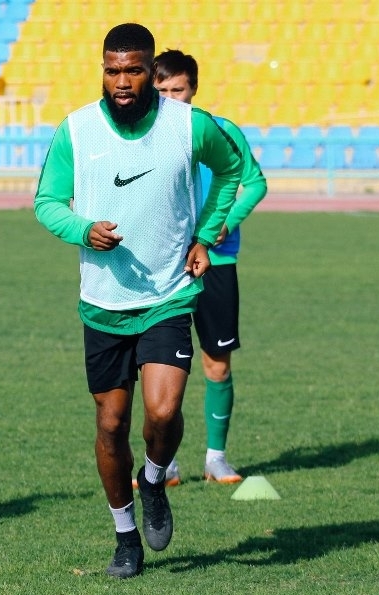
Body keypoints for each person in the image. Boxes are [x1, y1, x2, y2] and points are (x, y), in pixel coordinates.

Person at [34, 24, 243, 579]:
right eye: (112, 71)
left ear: (151, 71)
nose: (122, 82)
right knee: (110, 425)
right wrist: (82, 230)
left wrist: (205, 234)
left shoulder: (189, 125)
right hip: (103, 302)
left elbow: (232, 171)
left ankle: (153, 479)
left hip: (168, 295)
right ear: (102, 71)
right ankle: (125, 536)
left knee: (163, 411)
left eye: (133, 70)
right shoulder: (76, 130)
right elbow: (47, 201)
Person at [150, 49, 267, 485]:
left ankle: (216, 458)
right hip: (165, 265)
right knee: (161, 369)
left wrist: (225, 223)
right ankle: (164, 464)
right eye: (161, 90)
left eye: (177, 89)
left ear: (193, 89)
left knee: (216, 363)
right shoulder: (141, 140)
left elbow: (254, 183)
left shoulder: (220, 131)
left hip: (216, 263)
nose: (169, 98)